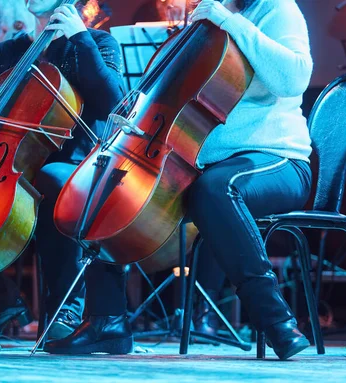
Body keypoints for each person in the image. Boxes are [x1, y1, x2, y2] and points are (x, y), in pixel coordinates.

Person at [46, 0, 314, 360]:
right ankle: (106, 321)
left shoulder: (276, 10)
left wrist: (231, 23)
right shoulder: (206, 21)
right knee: (114, 189)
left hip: (276, 158)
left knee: (216, 189)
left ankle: (276, 320)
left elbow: (295, 78)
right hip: (205, 161)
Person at [0, 0, 124, 341]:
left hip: (74, 165)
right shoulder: (7, 53)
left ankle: (66, 305)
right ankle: (0, 301)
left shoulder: (96, 44)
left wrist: (79, 36)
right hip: (5, 168)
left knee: (51, 180)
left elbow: (114, 102)